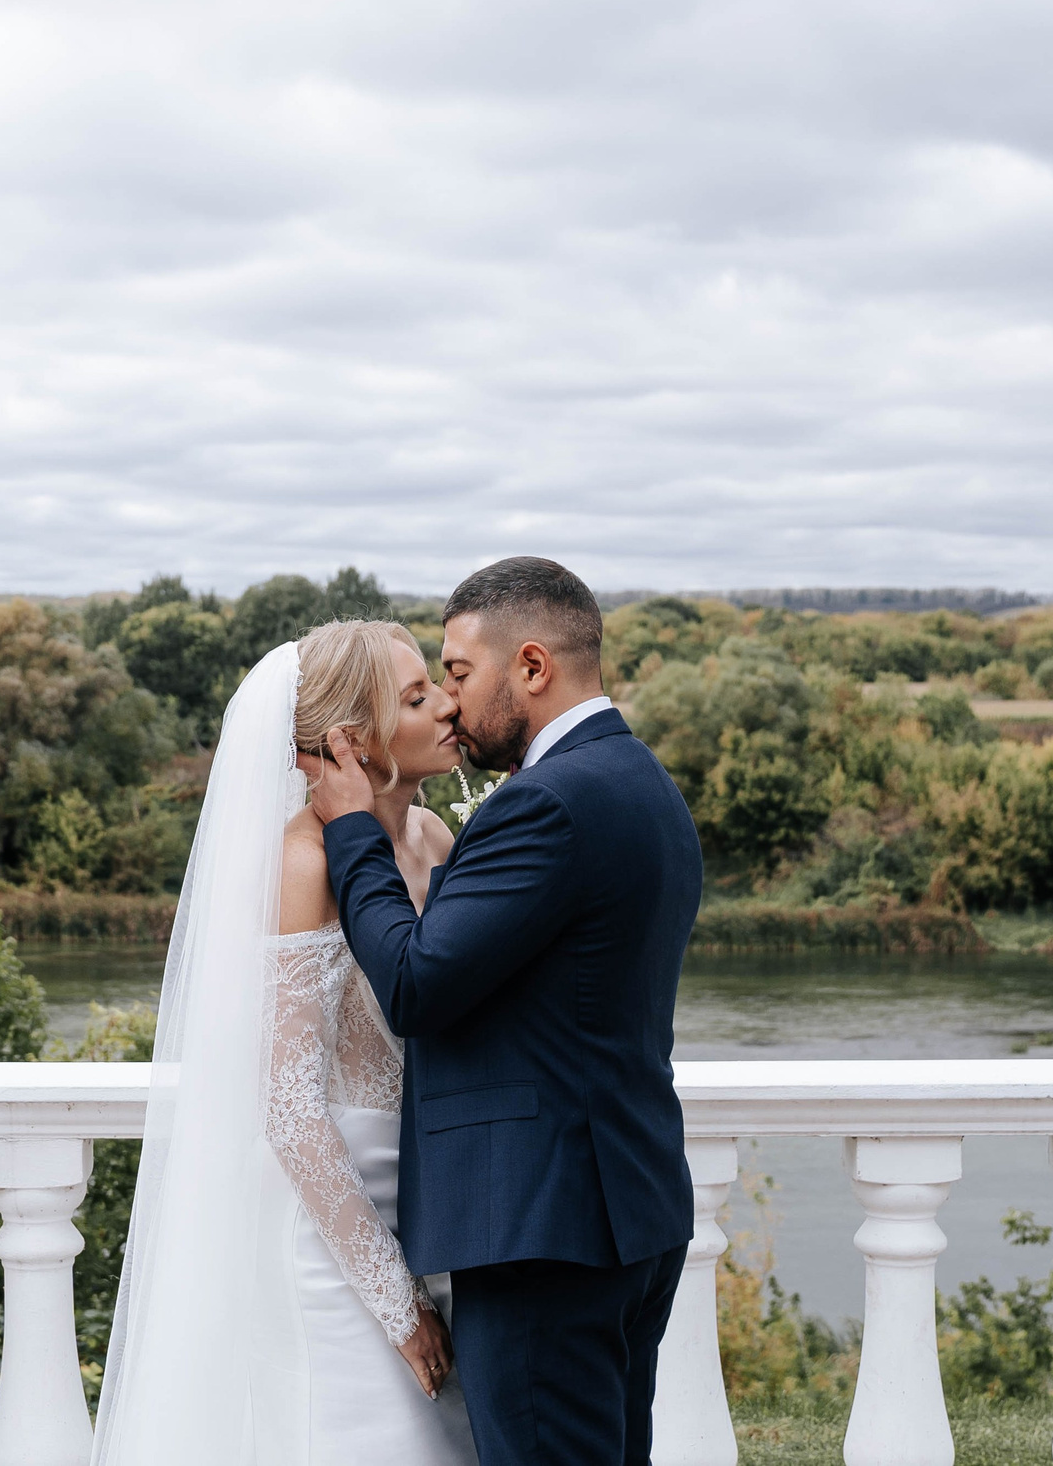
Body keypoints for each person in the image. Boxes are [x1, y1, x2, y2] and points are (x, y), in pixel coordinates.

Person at [304, 557, 702, 1466]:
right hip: (625, 1212)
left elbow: (412, 984)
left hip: (544, 1235)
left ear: (530, 667)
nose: (450, 701)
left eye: (456, 672)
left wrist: (354, 832)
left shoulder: (547, 805)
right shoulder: (641, 782)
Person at [92, 620, 480, 1466]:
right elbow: (289, 1108)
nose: (448, 704)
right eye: (416, 697)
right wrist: (395, 1300)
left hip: (435, 1211)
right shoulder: (301, 864)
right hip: (335, 1234)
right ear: (349, 742)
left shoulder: (436, 841)